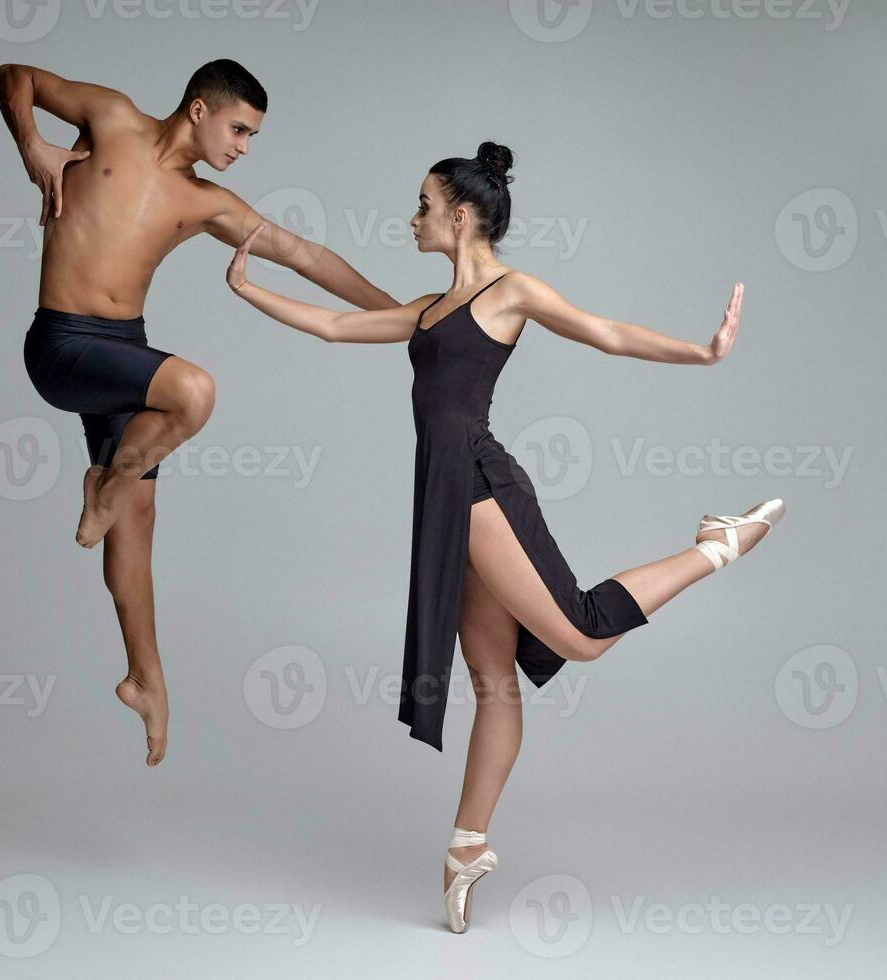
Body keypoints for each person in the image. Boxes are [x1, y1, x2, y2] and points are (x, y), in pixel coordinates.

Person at [223, 141, 785, 933]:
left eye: (422, 205)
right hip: (447, 496)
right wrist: (248, 289)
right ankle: (466, 847)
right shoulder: (429, 309)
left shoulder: (509, 293)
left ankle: (718, 544)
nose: (412, 218)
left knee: (582, 634)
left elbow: (607, 333)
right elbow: (337, 325)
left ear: (458, 214)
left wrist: (704, 350)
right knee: (492, 677)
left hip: (482, 485)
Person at [0, 59, 398, 766]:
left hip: (123, 352)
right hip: (61, 344)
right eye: (240, 128)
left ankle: (147, 681)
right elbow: (13, 74)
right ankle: (108, 486)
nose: (244, 147)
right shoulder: (112, 117)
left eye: (253, 137)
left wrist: (399, 316)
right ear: (200, 109)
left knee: (138, 521)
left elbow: (305, 256)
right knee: (195, 391)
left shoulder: (207, 203)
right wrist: (32, 143)